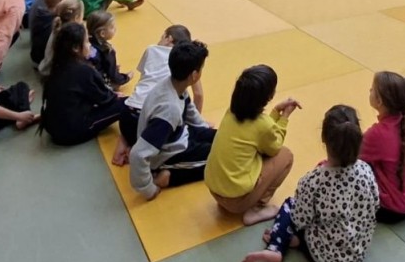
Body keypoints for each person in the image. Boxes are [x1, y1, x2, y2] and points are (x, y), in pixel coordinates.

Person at [239, 105, 380, 262]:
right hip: (356, 253)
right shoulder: (366, 170)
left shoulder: (313, 181)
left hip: (323, 255)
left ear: (324, 140)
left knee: (290, 204)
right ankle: (295, 242)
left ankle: (276, 247)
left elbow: (299, 219)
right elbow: (374, 205)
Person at [205, 65, 299, 225]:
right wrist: (284, 118)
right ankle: (257, 207)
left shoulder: (231, 112)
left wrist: (275, 112)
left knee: (255, 152)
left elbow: (260, 133)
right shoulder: (262, 125)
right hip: (236, 201)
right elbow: (274, 146)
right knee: (286, 155)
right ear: (269, 96)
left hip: (214, 190)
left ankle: (233, 202)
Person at [129, 41, 217, 199]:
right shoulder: (169, 111)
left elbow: (189, 109)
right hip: (168, 154)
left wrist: (205, 130)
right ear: (194, 75)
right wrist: (147, 188)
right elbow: (138, 154)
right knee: (219, 159)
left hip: (180, 135)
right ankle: (169, 177)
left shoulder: (174, 85)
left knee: (222, 139)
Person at [112, 24, 204, 166]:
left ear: (169, 38)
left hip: (126, 118)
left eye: (161, 37)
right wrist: (194, 124)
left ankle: (126, 141)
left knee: (136, 101)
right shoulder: (185, 62)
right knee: (179, 105)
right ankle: (134, 148)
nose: (159, 40)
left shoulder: (151, 50)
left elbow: (144, 78)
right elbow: (198, 94)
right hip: (152, 125)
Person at [39, 22, 126, 146]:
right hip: (70, 133)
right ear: (75, 48)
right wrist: (114, 96)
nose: (90, 45)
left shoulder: (57, 63)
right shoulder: (83, 70)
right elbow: (105, 99)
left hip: (52, 127)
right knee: (127, 103)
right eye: (86, 42)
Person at [360, 71, 405, 221]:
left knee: (354, 167)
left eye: (372, 89)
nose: (369, 91)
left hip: (393, 209)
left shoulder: (377, 134)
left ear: (379, 101)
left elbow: (347, 155)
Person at [86, 11, 131, 90]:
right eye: (112, 27)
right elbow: (112, 74)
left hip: (83, 80)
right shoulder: (106, 50)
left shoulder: (86, 43)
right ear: (102, 33)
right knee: (116, 84)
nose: (115, 29)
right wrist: (125, 78)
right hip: (95, 84)